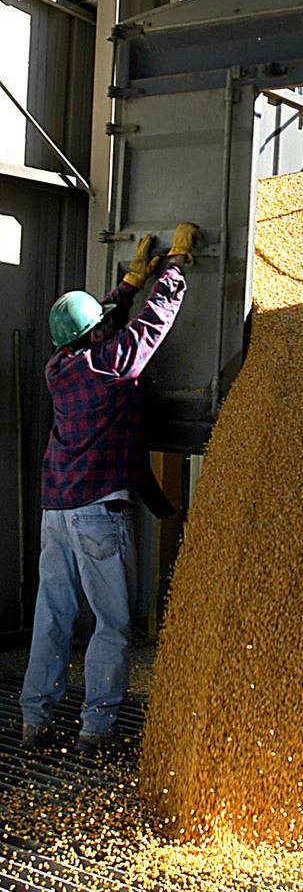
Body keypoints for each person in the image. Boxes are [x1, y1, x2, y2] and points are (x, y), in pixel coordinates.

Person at [19, 222, 202, 754]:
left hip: (58, 514)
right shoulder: (108, 367)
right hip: (98, 514)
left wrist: (128, 280)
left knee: (52, 618)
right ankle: (95, 731)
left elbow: (97, 324)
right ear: (94, 337)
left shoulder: (61, 365)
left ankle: (36, 721)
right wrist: (174, 270)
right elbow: (148, 328)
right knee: (113, 626)